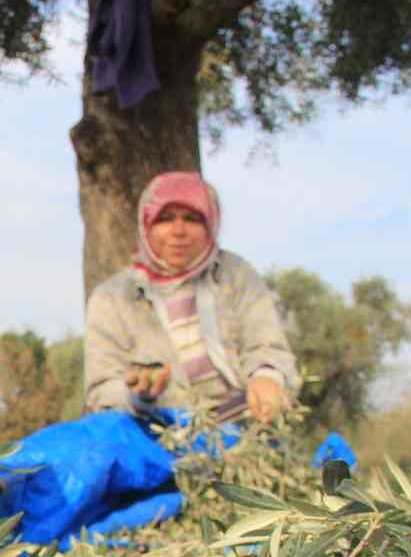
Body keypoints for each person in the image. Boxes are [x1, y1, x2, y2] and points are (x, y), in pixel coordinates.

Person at [83, 171, 298, 426]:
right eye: (165, 219)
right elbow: (101, 389)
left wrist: (267, 377)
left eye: (192, 219)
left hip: (241, 428)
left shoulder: (236, 275)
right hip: (157, 438)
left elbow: (268, 347)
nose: (178, 231)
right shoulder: (111, 299)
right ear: (146, 225)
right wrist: (137, 395)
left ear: (211, 225)